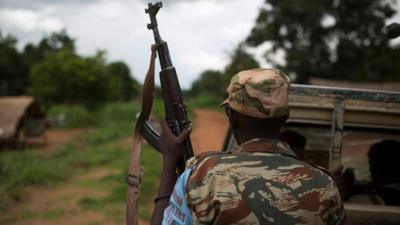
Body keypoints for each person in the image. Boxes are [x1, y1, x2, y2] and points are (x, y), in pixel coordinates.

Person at [151, 68, 345, 225]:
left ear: (232, 117)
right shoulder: (325, 186)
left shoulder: (202, 175)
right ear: (285, 118)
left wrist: (169, 162)